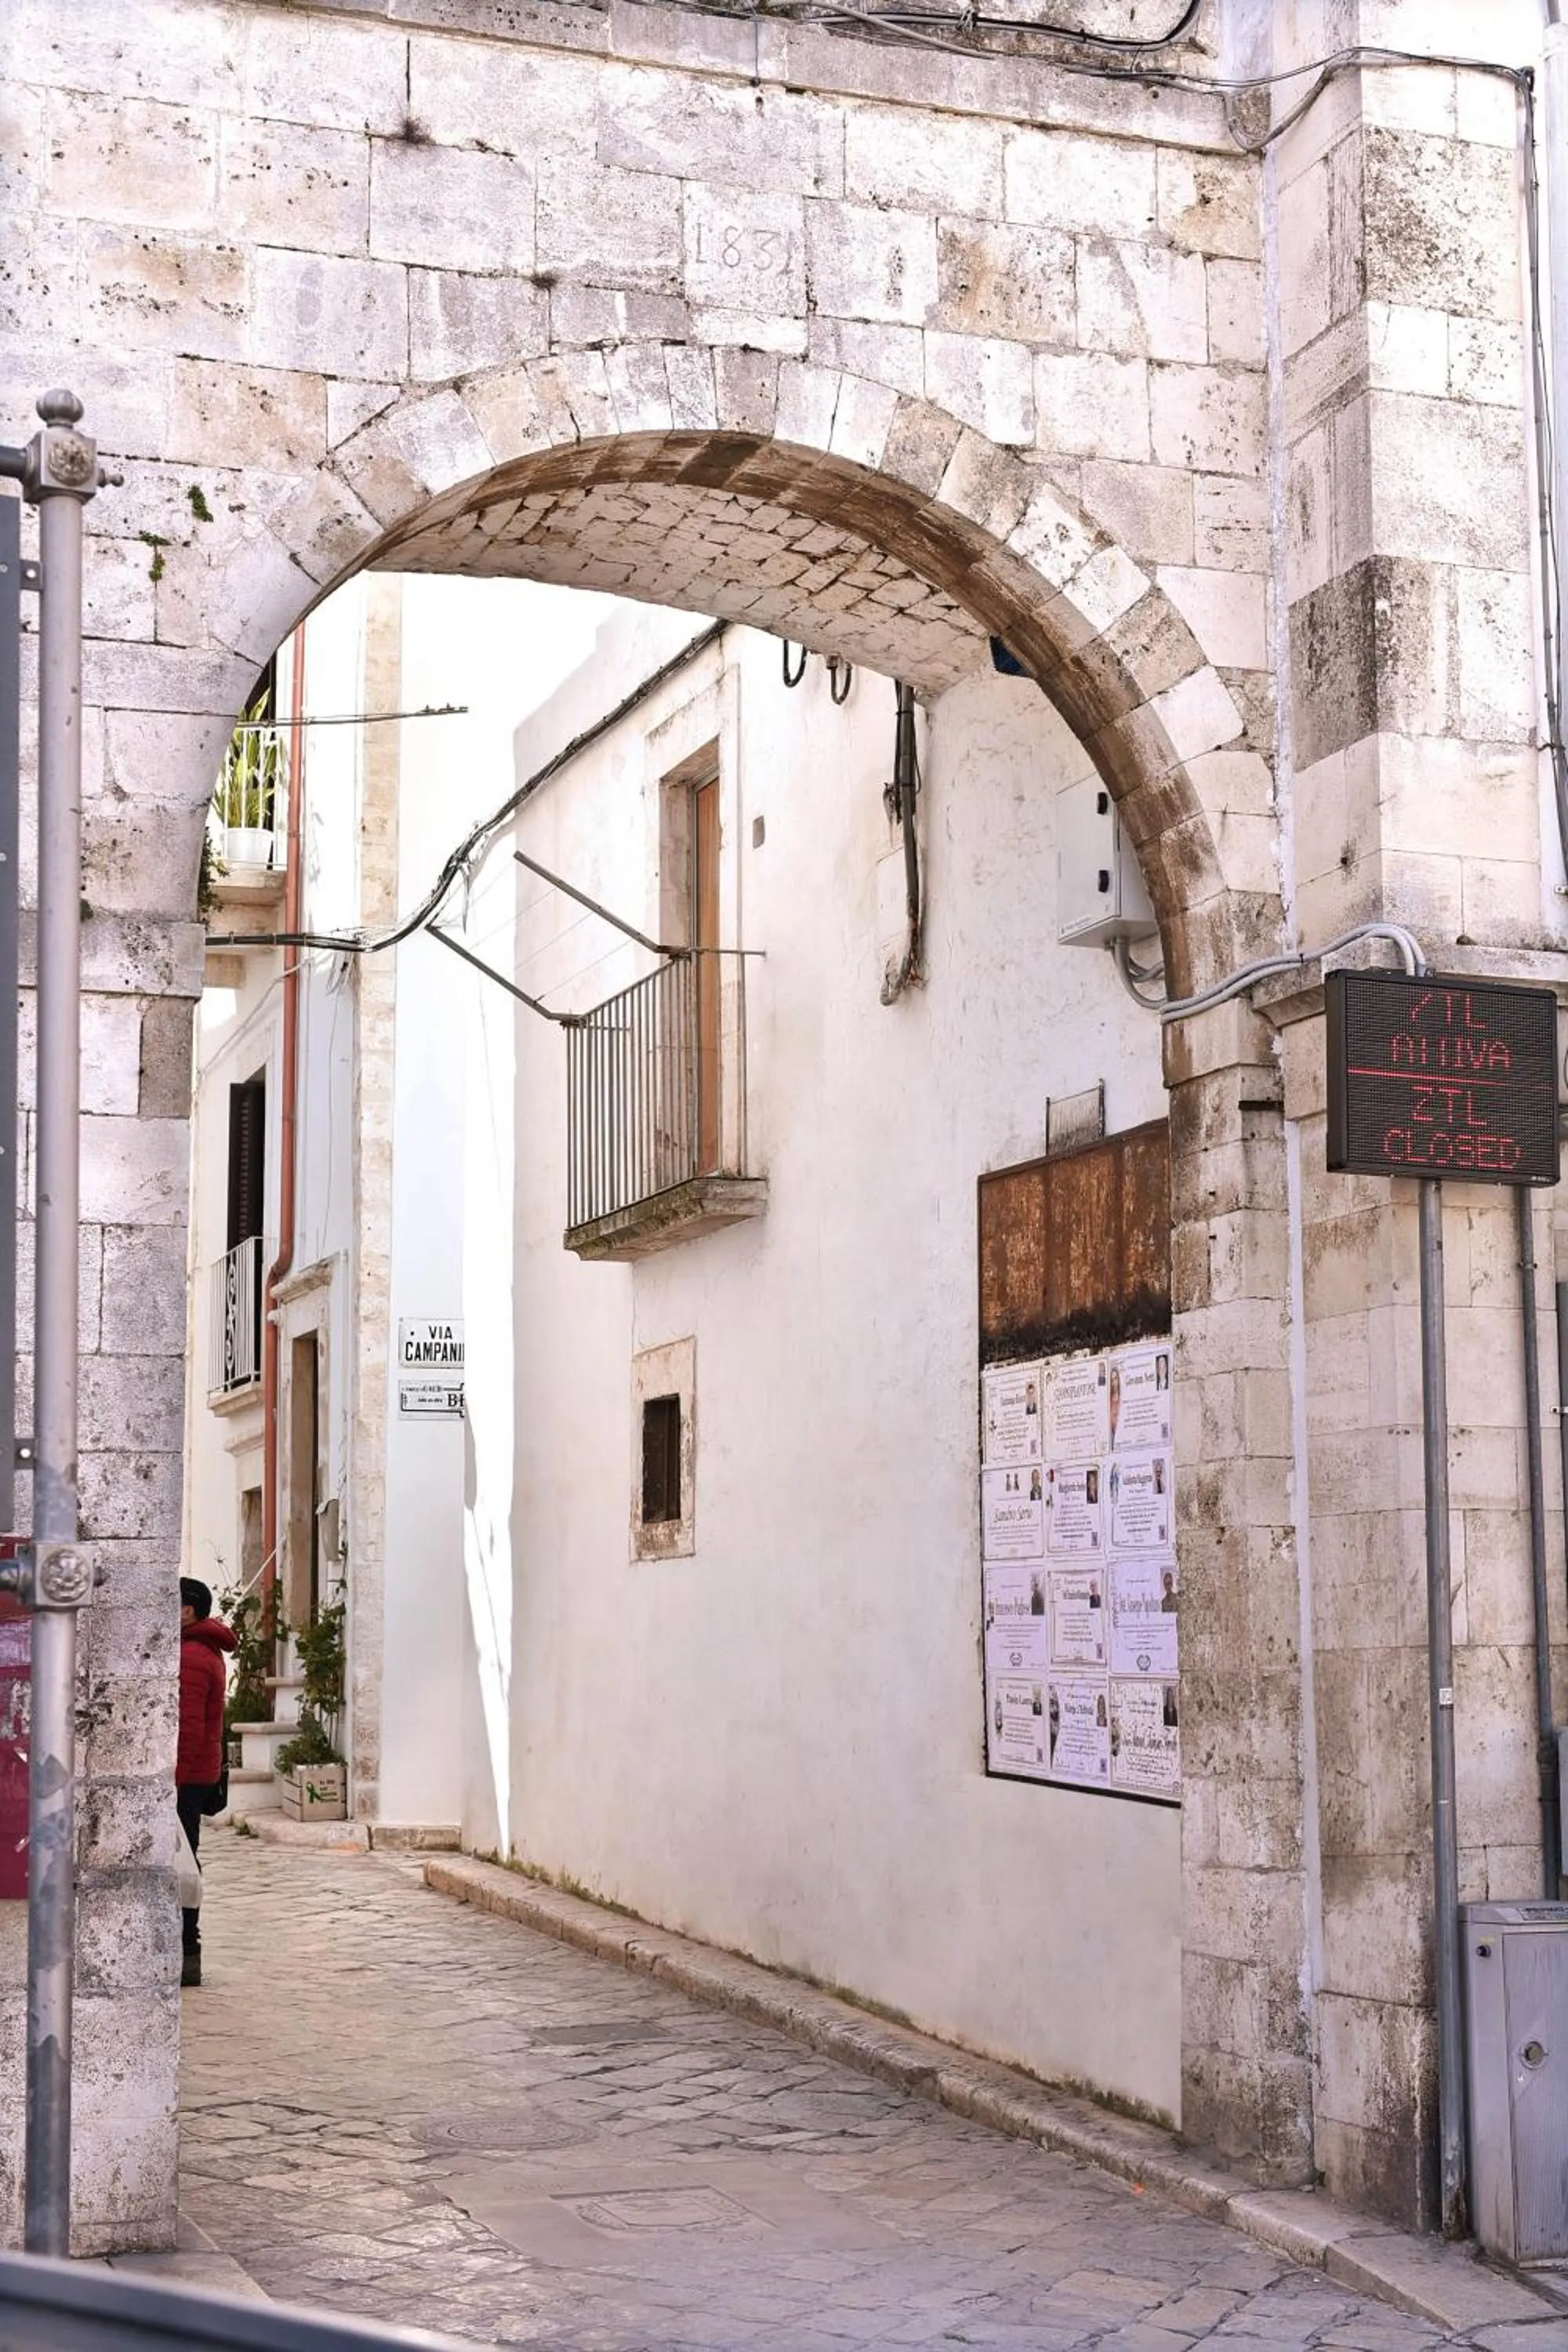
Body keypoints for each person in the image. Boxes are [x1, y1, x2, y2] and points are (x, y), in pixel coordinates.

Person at [177, 1577, 237, 1987]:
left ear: (188, 1611)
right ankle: (185, 1949)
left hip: (186, 1777)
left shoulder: (192, 1656)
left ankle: (186, 1949)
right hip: (198, 1774)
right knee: (186, 1858)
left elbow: (188, 1728)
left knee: (182, 1863)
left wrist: (172, 1782)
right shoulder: (202, 1648)